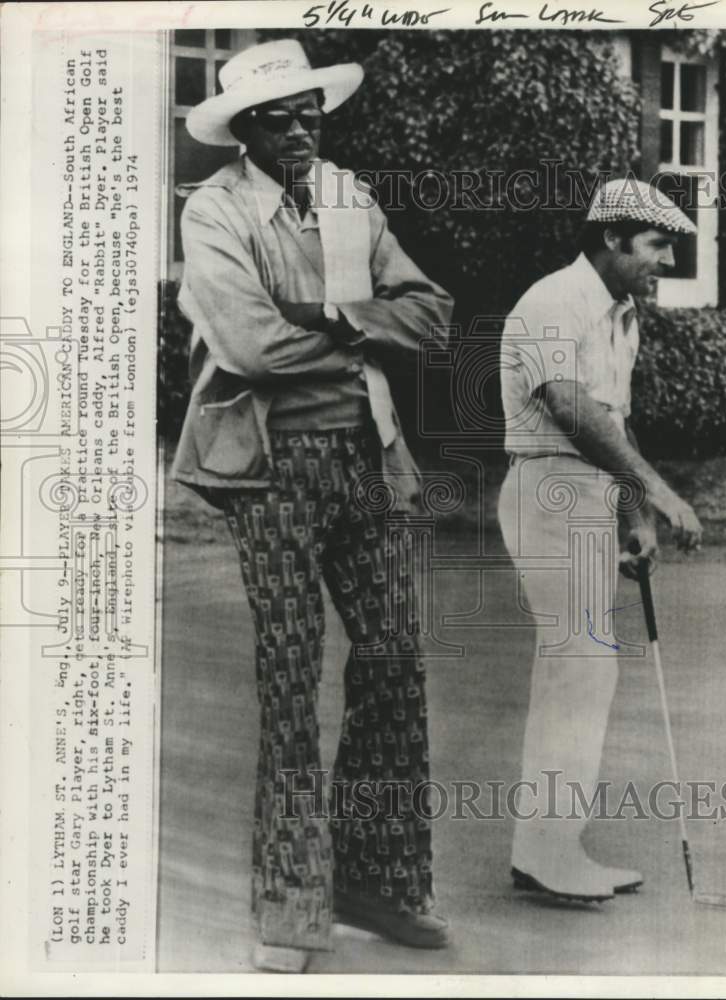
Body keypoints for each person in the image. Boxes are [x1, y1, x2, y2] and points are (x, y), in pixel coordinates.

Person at [171, 39, 453, 971]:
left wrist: (337, 319)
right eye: (275, 116)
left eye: (308, 112)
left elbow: (430, 310)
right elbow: (250, 348)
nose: (297, 128)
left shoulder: (347, 195)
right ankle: (289, 906)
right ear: (242, 130)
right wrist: (364, 331)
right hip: (271, 463)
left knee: (393, 662)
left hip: (365, 457)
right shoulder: (214, 209)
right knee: (289, 677)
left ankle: (376, 883)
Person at [498, 178, 703, 903]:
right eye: (654, 245)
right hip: (548, 490)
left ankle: (546, 848)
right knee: (576, 671)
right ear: (612, 236)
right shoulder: (555, 300)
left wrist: (633, 519)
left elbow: (615, 422)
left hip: (586, 495)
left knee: (583, 672)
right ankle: (546, 852)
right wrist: (658, 491)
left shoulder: (620, 316)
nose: (664, 261)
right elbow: (572, 412)